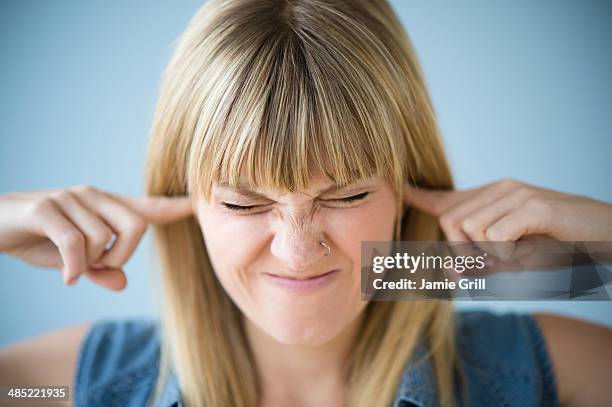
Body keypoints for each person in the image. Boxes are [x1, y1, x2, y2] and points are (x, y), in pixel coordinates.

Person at [1, 0, 611, 406]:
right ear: (185, 201)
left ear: (404, 190)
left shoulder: (532, 374)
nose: (297, 251)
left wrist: (605, 248)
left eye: (346, 194)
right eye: (243, 203)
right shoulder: (79, 387)